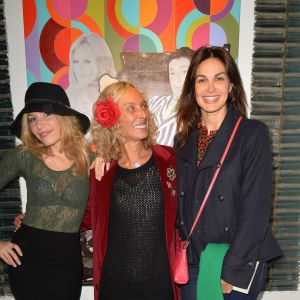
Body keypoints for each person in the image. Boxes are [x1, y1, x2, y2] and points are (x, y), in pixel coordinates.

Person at [174, 46, 282, 300]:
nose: (210, 88)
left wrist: (231, 269)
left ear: (231, 85)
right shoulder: (183, 140)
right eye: (202, 80)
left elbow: (256, 208)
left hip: (235, 260)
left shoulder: (251, 134)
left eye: (219, 78)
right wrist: (108, 153)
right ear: (192, 88)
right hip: (192, 261)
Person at [81, 81, 180, 300]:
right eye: (131, 108)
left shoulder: (170, 160)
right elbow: (83, 218)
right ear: (112, 118)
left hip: (161, 286)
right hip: (115, 287)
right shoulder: (101, 172)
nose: (142, 113)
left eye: (143, 106)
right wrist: (34, 221)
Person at [0, 82, 91, 300]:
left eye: (47, 115)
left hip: (67, 265)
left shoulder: (91, 160)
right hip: (26, 261)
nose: (39, 125)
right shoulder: (24, 155)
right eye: (32, 119)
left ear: (64, 117)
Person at [66, 33, 116, 121]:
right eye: (76, 62)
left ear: (101, 62)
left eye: (86, 62)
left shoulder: (117, 95)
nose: (79, 68)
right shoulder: (69, 96)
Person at [149, 47, 194, 146]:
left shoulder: (197, 112)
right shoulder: (154, 101)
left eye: (183, 72)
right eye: (172, 73)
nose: (176, 79)